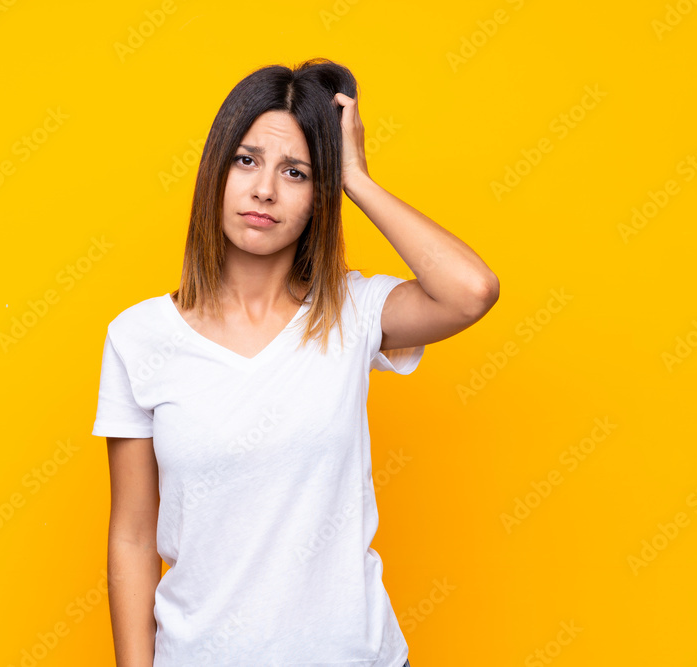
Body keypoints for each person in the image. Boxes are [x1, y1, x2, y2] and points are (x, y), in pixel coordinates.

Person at [94, 57, 499, 667]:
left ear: (319, 196)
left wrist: (355, 177)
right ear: (215, 169)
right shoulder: (140, 337)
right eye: (246, 160)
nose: (265, 190)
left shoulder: (352, 311)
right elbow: (131, 535)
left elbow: (471, 291)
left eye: (296, 172)